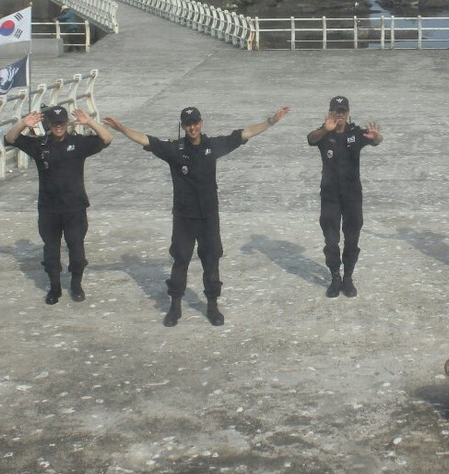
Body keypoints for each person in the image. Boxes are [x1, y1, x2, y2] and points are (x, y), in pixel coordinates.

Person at [104, 104, 290, 327]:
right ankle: (175, 306)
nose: (192, 128)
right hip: (184, 217)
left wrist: (271, 121)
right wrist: (122, 128)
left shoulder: (213, 146)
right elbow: (146, 139)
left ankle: (212, 305)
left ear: (201, 123)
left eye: (195, 123)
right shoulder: (174, 150)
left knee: (211, 259)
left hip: (209, 217)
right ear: (183, 127)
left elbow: (244, 134)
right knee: (180, 259)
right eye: (188, 124)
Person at [4, 105, 114, 305]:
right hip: (49, 209)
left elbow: (107, 138)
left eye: (61, 123)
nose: (58, 127)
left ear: (66, 123)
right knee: (51, 252)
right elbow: (10, 139)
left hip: (75, 208)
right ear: (49, 124)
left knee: (77, 250)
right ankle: (54, 287)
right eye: (54, 123)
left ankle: (76, 284)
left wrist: (89, 122)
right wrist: (23, 123)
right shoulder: (40, 145)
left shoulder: (77, 143)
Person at [306, 96, 383, 298]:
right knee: (331, 240)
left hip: (352, 196)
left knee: (352, 238)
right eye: (336, 111)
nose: (340, 114)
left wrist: (376, 137)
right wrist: (326, 129)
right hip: (330, 196)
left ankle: (347, 277)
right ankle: (335, 277)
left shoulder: (355, 133)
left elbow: (376, 140)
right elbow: (310, 139)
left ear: (348, 113)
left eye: (343, 111)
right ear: (330, 112)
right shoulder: (324, 133)